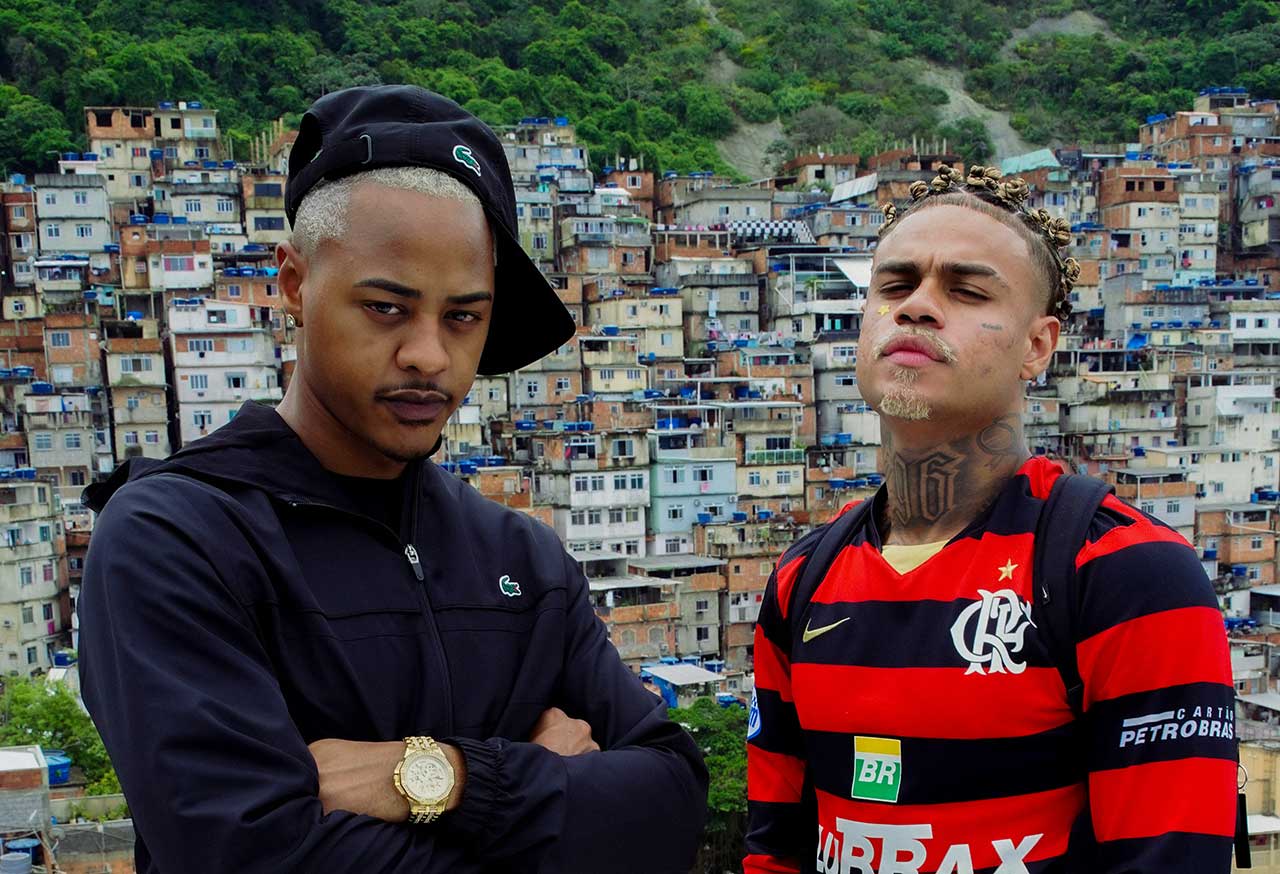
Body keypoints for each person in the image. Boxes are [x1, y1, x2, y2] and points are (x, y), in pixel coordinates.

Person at [80, 85, 707, 874]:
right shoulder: (177, 540)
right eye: (386, 308)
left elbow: (671, 802)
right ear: (294, 285)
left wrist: (451, 777)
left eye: (463, 317)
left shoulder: (521, 559)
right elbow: (250, 856)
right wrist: (562, 805)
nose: (429, 356)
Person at [744, 165, 1236, 873]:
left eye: (967, 291)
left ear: (1038, 346)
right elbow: (775, 847)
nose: (917, 307)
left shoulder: (1123, 571)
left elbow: (1169, 859)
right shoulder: (804, 580)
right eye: (894, 286)